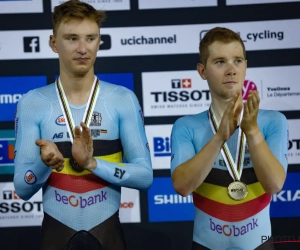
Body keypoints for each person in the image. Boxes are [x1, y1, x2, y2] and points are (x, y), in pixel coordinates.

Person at [13, 1, 153, 249]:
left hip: (107, 234)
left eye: (90, 38)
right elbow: (23, 188)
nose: (82, 48)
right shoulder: (32, 103)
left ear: (100, 41)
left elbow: (144, 177)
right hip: (55, 236)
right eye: (72, 38)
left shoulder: (122, 100)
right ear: (54, 43)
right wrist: (44, 165)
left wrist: (92, 164)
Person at [170, 27, 288, 250]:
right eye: (220, 62)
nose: (232, 70)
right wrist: (219, 137)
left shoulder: (274, 121)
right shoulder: (186, 126)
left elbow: (274, 185)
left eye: (238, 60)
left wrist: (252, 132)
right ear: (202, 71)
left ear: (246, 65)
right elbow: (183, 187)